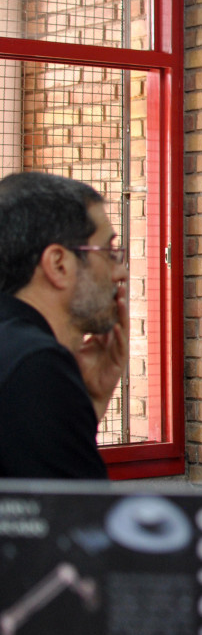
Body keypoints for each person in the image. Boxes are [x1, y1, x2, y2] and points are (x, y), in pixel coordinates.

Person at [0, 172, 129, 479]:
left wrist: (90, 406)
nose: (120, 272)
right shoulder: (36, 365)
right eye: (109, 253)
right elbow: (81, 520)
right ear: (58, 264)